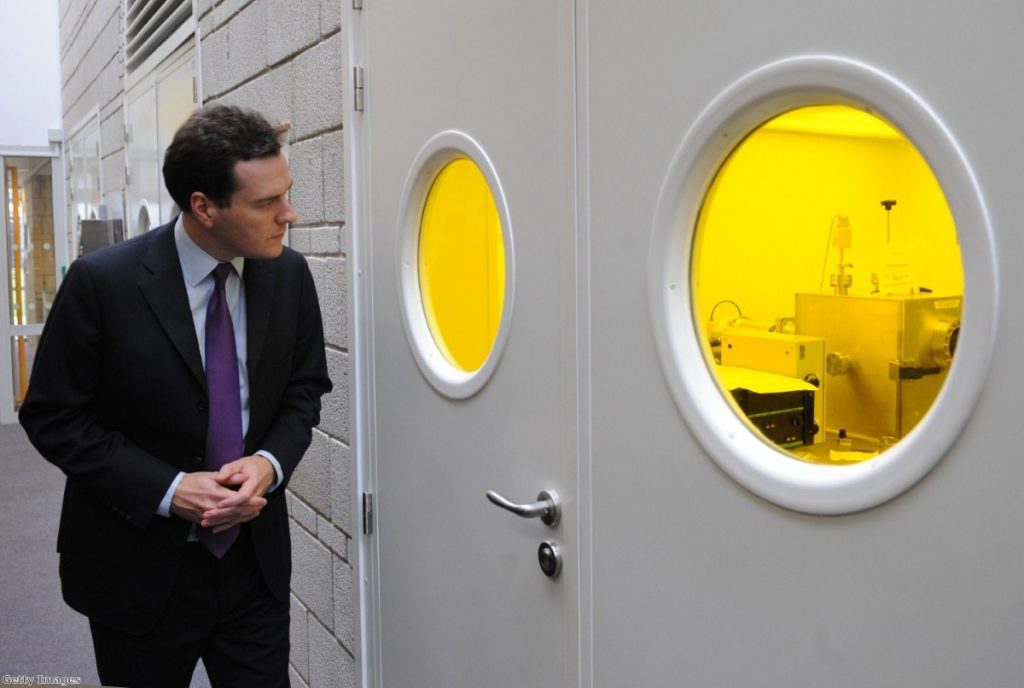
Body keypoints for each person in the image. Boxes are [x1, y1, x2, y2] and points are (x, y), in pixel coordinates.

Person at [19, 104, 332, 687]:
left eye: (285, 194)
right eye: (267, 203)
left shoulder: (289, 276)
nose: (288, 215)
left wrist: (268, 465)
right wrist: (169, 490)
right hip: (136, 568)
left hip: (252, 566)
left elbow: (304, 392)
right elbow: (53, 416)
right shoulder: (102, 283)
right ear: (204, 207)